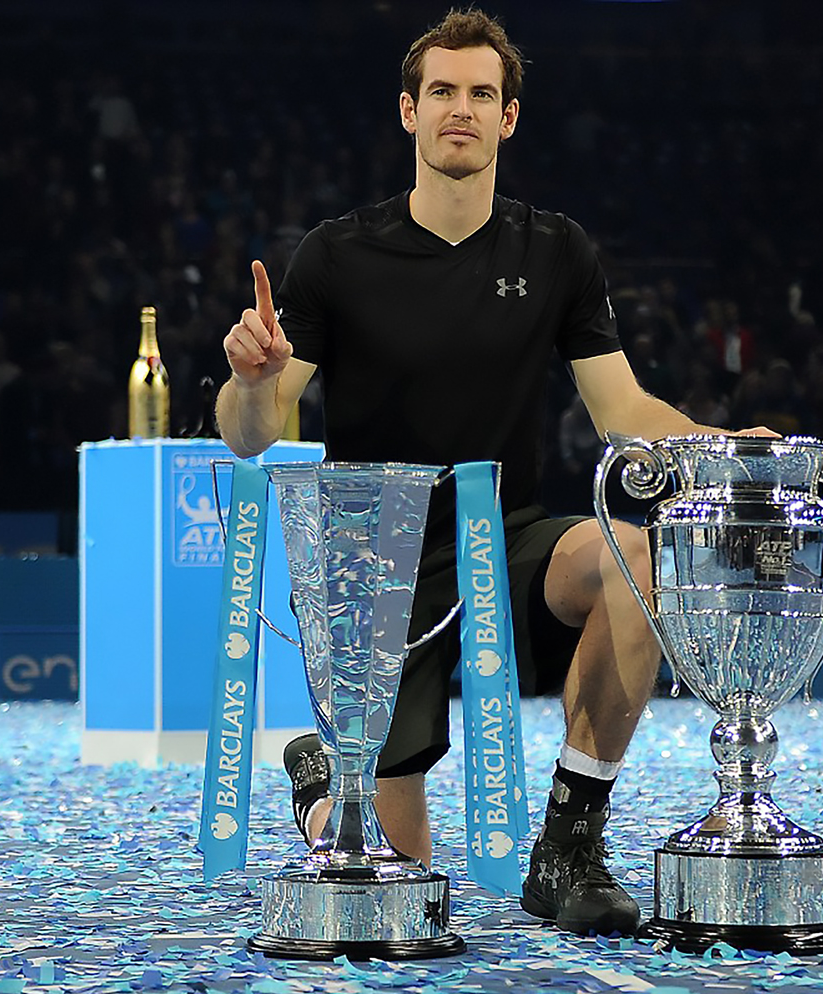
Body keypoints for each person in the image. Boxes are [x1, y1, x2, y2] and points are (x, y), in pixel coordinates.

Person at [217, 9, 774, 938]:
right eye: (443, 92)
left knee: (632, 558)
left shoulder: (555, 250)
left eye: (482, 94)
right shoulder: (335, 255)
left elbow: (623, 412)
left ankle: (568, 847)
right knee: (395, 888)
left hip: (505, 538)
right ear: (409, 112)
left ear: (508, 118)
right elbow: (251, 433)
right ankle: (325, 785)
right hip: (377, 562)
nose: (461, 110)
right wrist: (251, 379)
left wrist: (720, 444)